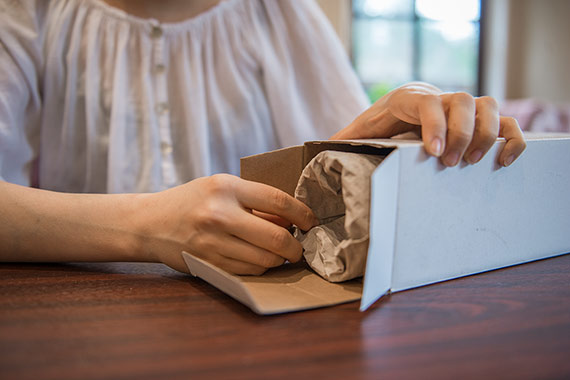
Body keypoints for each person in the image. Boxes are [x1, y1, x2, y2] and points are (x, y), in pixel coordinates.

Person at [0, 0, 526, 275]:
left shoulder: (275, 10)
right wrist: (147, 227)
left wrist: (377, 132)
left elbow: (328, 195)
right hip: (90, 303)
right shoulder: (30, 14)